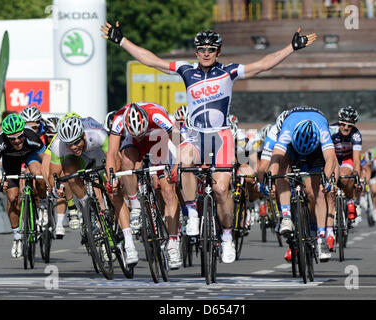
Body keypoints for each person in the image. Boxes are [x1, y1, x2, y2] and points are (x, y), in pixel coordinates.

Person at [101, 21, 317, 264]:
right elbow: (152, 60)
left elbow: (262, 65)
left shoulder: (229, 71)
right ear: (196, 52)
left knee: (221, 189)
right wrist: (122, 41)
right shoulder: (186, 70)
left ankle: (226, 236)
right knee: (183, 160)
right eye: (201, 49)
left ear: (218, 52)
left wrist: (291, 47)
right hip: (194, 134)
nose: (206, 53)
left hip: (221, 136)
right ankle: (192, 212)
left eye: (211, 49)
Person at [48, 115, 139, 265]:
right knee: (69, 172)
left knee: (114, 193)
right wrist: (56, 189)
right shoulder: (58, 144)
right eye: (69, 144)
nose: (74, 146)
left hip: (100, 156)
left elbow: (114, 157)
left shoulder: (97, 134)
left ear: (83, 135)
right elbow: (54, 175)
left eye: (76, 141)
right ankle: (86, 205)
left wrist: (113, 180)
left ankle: (129, 245)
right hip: (78, 160)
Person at [106, 102, 182, 269]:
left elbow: (177, 141)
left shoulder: (156, 115)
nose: (139, 135)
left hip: (158, 139)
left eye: (140, 132)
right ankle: (136, 205)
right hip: (134, 144)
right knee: (126, 161)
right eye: (135, 132)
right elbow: (112, 152)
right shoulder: (119, 118)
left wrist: (176, 165)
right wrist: (110, 176)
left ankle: (173, 244)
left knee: (168, 190)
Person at [265, 107, 337, 262]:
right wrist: (271, 180)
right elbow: (275, 158)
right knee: (282, 167)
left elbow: (331, 158)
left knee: (317, 191)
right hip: (293, 148)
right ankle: (286, 216)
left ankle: (321, 238)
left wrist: (326, 179)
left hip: (315, 152)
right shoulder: (288, 129)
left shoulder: (323, 130)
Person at [0, 114, 47, 258]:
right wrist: (0, 183)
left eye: (19, 136)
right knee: (12, 197)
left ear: (23, 133)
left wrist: (47, 180)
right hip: (11, 162)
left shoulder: (31, 136)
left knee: (38, 174)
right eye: (12, 138)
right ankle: (17, 237)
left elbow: (46, 160)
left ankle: (43, 204)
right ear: (7, 137)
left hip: (30, 155)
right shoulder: (0, 142)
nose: (17, 141)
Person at [326, 106, 362, 249]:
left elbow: (357, 159)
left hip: (347, 159)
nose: (346, 127)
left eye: (349, 125)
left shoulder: (356, 135)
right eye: (343, 124)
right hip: (333, 158)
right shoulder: (331, 130)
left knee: (345, 177)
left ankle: (350, 200)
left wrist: (357, 177)